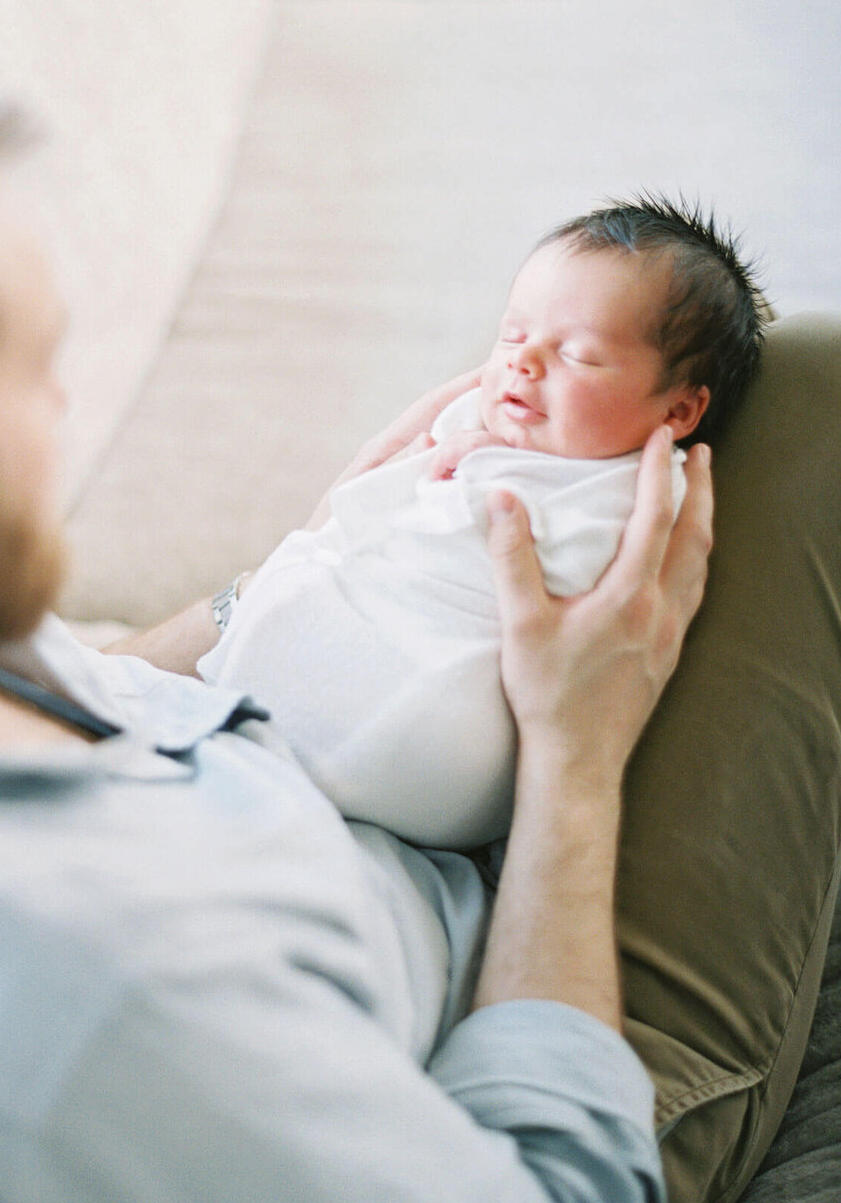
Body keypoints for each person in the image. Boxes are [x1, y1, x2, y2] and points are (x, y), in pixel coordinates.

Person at [0, 76, 841, 1203]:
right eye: (31, 375)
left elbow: (104, 686)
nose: (62, 407)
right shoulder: (128, 1014)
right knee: (838, 383)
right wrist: (573, 760)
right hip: (521, 1001)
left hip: (324, 771)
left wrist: (309, 558)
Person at [198, 202, 766, 848]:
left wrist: (472, 484)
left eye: (579, 355)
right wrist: (447, 461)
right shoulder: (481, 421)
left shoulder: (641, 487)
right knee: (292, 587)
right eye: (512, 336)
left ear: (681, 408)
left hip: (445, 725)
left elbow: (589, 587)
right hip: (351, 653)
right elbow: (368, 517)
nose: (524, 363)